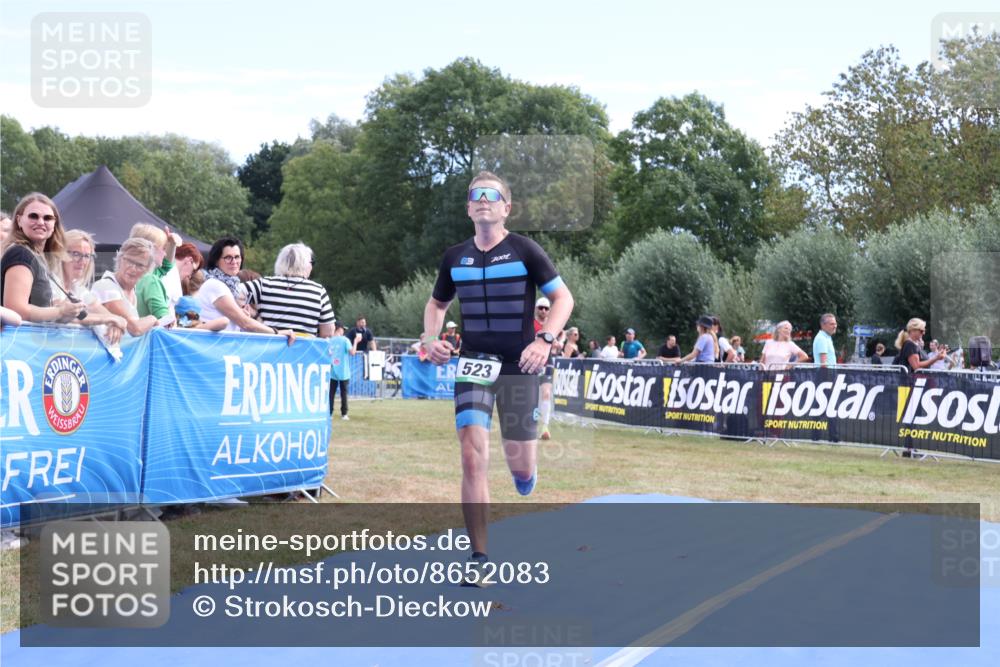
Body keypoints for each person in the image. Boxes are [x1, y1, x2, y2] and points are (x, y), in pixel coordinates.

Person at [421, 170, 572, 584]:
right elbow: (436, 305)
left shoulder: (525, 250)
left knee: (518, 464)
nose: (483, 200)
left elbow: (563, 298)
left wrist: (545, 340)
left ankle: (526, 473)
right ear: (469, 208)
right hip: (473, 365)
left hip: (519, 365)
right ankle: (480, 556)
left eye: (493, 195)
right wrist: (430, 337)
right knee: (471, 452)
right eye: (476, 196)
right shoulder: (454, 257)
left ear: (507, 208)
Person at [1, 193, 87, 323]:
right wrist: (60, 311)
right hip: (17, 341)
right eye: (33, 216)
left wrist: (65, 314)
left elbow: (37, 312)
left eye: (47, 218)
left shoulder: (36, 256)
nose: (41, 222)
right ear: (19, 220)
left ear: (54, 224)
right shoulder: (20, 253)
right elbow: (16, 310)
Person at [195, 237, 295, 342]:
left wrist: (241, 315)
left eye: (237, 257)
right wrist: (276, 332)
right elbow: (245, 323)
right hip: (212, 347)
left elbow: (240, 322)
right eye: (228, 257)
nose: (234, 261)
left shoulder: (228, 286)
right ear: (216, 261)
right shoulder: (216, 285)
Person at [50, 229, 128, 344]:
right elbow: (64, 317)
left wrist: (114, 323)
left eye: (87, 256)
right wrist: (111, 319)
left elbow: (101, 311)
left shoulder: (78, 287)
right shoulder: (50, 282)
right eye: (76, 254)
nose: (82, 261)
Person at [241, 242, 334, 337]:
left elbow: (231, 293)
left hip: (268, 349)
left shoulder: (263, 284)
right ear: (305, 264)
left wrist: (255, 315)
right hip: (304, 350)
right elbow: (328, 333)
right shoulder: (318, 292)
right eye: (312, 263)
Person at [91, 238, 161, 336]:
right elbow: (135, 328)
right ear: (120, 258)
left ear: (147, 269)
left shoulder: (131, 290)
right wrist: (153, 318)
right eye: (129, 261)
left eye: (139, 265)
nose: (132, 268)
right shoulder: (106, 286)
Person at [129, 223, 182, 321]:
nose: (165, 253)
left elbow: (166, 265)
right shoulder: (150, 279)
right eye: (164, 248)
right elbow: (166, 321)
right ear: (151, 249)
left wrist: (172, 244)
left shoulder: (127, 274)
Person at [533, 296, 561, 440]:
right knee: (532, 397)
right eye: (541, 308)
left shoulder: (552, 325)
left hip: (548, 361)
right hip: (532, 362)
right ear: (536, 309)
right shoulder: (530, 324)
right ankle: (534, 422)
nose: (543, 311)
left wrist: (557, 344)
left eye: (546, 308)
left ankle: (545, 427)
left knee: (546, 393)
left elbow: (556, 342)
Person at [329, 321, 360, 420]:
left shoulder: (329, 340)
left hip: (332, 370)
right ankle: (344, 414)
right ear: (339, 328)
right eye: (343, 329)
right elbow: (353, 352)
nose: (344, 331)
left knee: (331, 393)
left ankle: (329, 413)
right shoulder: (345, 340)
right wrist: (356, 341)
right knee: (344, 393)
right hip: (343, 371)